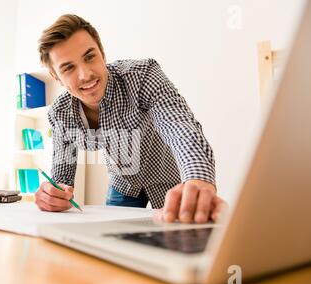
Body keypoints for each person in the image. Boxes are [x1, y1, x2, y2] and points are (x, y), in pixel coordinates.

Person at [35, 14, 227, 223]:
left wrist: (198, 178)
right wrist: (53, 196)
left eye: (90, 57)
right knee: (113, 236)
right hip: (122, 184)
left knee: (175, 233)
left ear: (102, 54)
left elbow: (179, 127)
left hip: (166, 177)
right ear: (56, 77)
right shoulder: (60, 114)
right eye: (68, 67)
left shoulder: (142, 76)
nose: (85, 74)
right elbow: (61, 179)